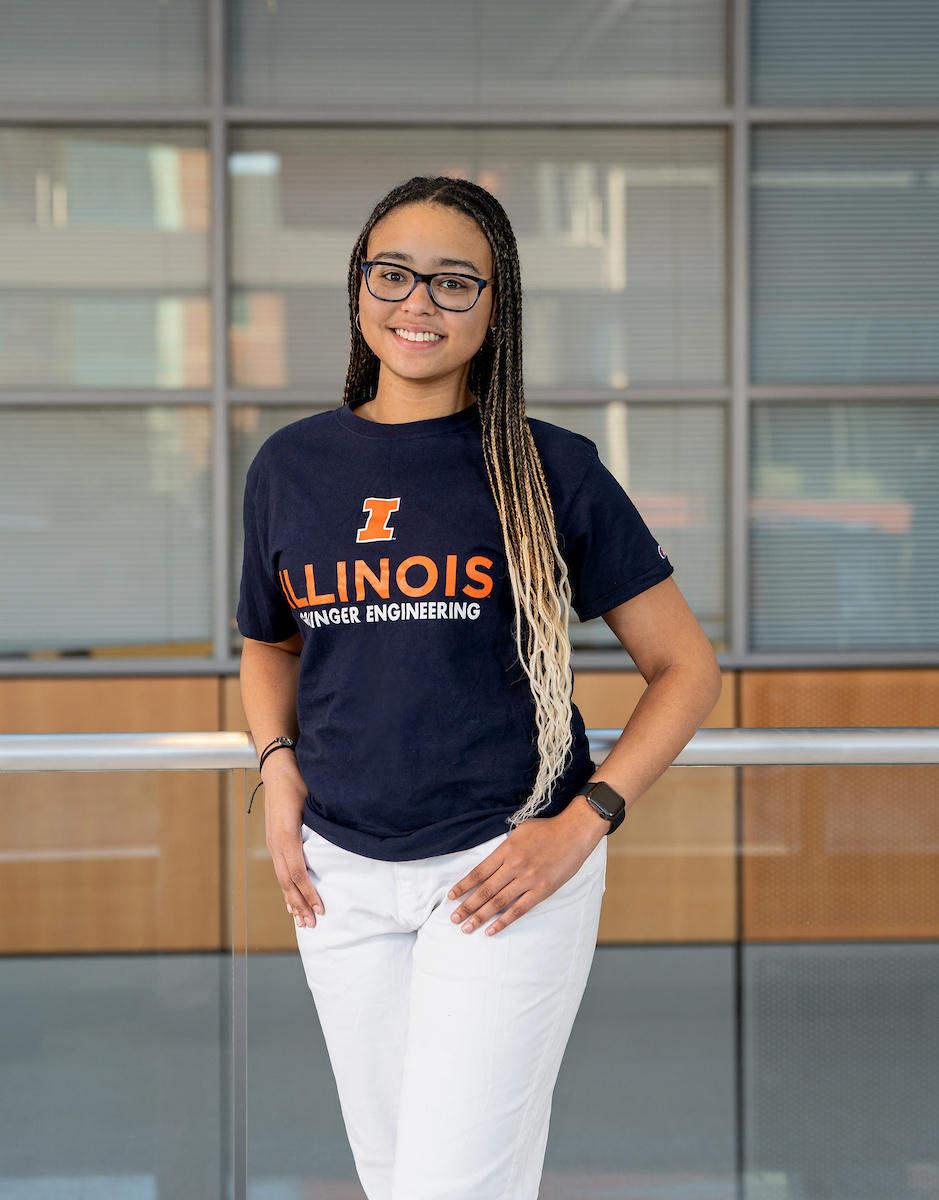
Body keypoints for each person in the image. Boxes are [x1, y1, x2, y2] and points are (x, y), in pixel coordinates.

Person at [237, 175, 721, 1200]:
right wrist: (278, 772)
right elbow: (271, 645)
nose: (420, 303)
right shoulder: (291, 466)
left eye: (456, 283)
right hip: (338, 878)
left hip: (508, 871)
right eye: (395, 275)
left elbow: (686, 667)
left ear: (495, 309)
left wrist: (587, 819)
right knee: (394, 1175)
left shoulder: (551, 469)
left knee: (449, 1186)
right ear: (359, 289)